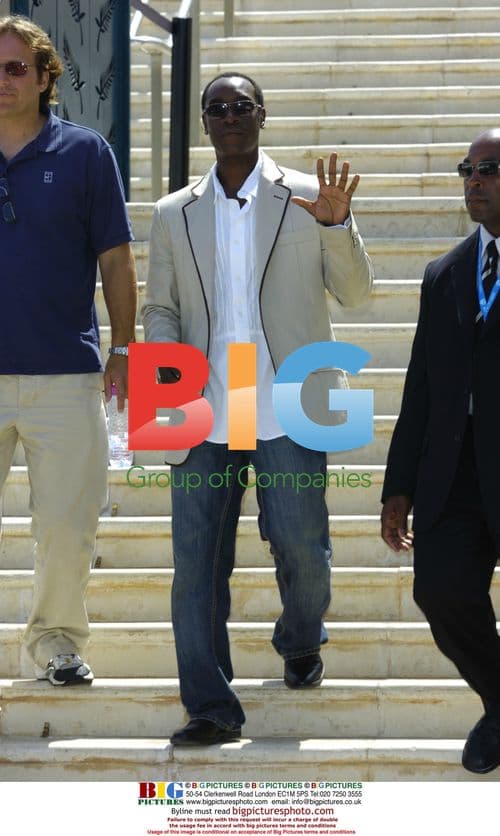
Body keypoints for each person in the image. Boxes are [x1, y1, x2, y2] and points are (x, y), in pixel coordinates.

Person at [143, 71, 373, 746]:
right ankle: (211, 705)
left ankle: (301, 637)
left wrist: (338, 227)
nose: (230, 115)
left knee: (304, 547)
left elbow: (357, 294)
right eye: (217, 107)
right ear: (206, 123)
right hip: (202, 402)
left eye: (242, 105)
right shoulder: (172, 212)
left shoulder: (306, 196)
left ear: (262, 115)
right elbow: (160, 305)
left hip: (289, 398)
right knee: (196, 565)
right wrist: (164, 366)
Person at [0, 16, 137, 685]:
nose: (3, 80)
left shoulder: (86, 153)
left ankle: (55, 643)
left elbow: (115, 258)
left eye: (15, 67)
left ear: (47, 76)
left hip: (66, 373)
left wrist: (125, 349)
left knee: (66, 528)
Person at [381, 129, 500, 774]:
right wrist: (398, 485)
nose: (474, 180)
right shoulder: (444, 274)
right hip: (453, 474)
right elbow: (420, 385)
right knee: (439, 590)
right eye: (467, 169)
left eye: (489, 169)